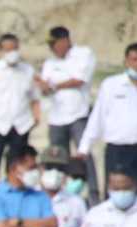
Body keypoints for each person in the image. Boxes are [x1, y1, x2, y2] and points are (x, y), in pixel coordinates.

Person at [78, 43, 137, 198]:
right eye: (134, 59)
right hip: (117, 150)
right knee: (115, 194)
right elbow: (98, 117)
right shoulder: (111, 85)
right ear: (126, 61)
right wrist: (84, 147)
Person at [37, 27, 99, 202]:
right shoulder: (50, 63)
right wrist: (43, 88)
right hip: (56, 117)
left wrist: (55, 86)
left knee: (83, 154)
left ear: (64, 40)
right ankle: (59, 194)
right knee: (57, 158)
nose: (52, 48)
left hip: (78, 114)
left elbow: (79, 80)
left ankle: (93, 194)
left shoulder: (83, 54)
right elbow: (46, 88)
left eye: (54, 44)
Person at [0, 33, 41, 194]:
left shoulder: (27, 71)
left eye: (15, 49)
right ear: (0, 51)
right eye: (8, 49)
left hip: (21, 125)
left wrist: (36, 116)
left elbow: (34, 97)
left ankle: (13, 198)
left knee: (16, 166)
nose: (12, 52)